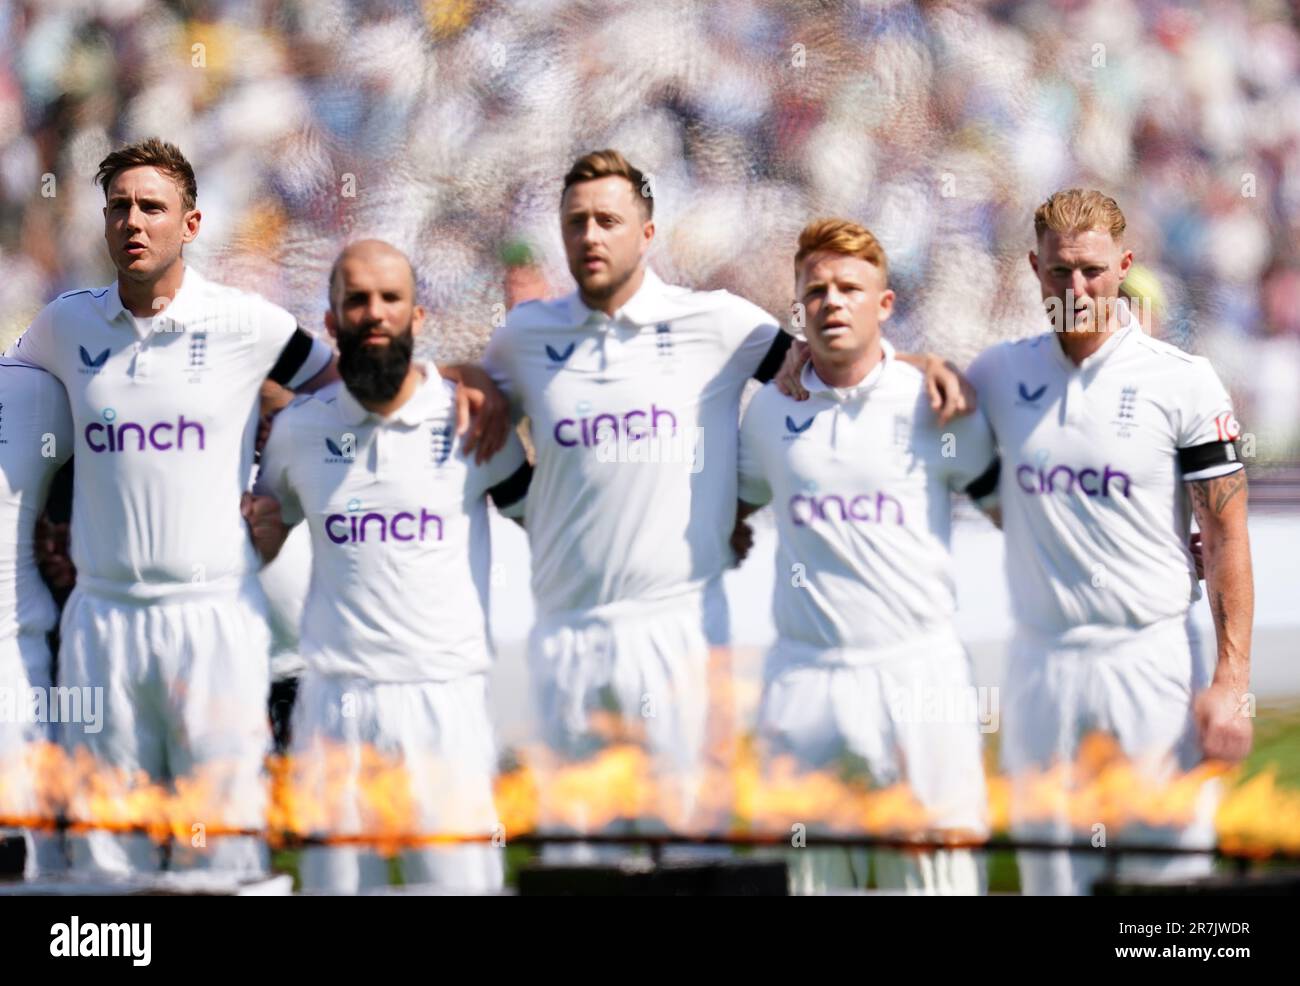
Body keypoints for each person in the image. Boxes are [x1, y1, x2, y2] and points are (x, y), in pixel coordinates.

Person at [4, 138, 507, 876]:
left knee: (225, 850)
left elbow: (359, 381)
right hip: (101, 620)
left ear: (192, 223)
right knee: (106, 854)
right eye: (119, 208)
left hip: (214, 619)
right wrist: (56, 519)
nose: (134, 222)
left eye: (153, 207)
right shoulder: (62, 327)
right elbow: (19, 410)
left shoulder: (247, 323)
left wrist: (463, 376)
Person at [777, 189, 1253, 895]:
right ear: (1035, 268)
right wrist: (813, 358)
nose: (1076, 288)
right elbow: (906, 381)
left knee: (1169, 894)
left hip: (1151, 660)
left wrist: (1233, 683)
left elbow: (1225, 534)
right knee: (1053, 884)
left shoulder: (1182, 382)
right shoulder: (1004, 373)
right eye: (1059, 271)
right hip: (1041, 669)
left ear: (1123, 265)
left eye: (1092, 270)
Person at [482, 150, 969, 831]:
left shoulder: (715, 322)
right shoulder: (525, 337)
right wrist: (523, 505)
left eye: (608, 220)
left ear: (647, 234)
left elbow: (832, 359)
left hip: (680, 627)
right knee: (579, 862)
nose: (590, 236)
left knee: (692, 852)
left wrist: (920, 362)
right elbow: (473, 416)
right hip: (565, 632)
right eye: (576, 222)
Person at [256, 240, 531, 892]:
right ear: (331, 323)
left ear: (418, 317)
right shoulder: (298, 431)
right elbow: (263, 538)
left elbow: (544, 517)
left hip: (446, 702)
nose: (374, 313)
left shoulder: (470, 423)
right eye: (356, 300)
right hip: (334, 709)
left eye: (390, 299)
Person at [738, 219, 998, 894]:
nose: (833, 302)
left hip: (918, 673)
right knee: (809, 882)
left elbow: (1010, 511)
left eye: (850, 287)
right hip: (805, 677)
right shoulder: (768, 413)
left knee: (936, 880)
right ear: (799, 308)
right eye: (816, 290)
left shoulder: (934, 403)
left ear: (884, 305)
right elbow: (728, 515)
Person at [0, 358, 74, 879]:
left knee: (26, 868)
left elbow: (125, 462)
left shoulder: (32, 389)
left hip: (14, 673)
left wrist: (72, 534)